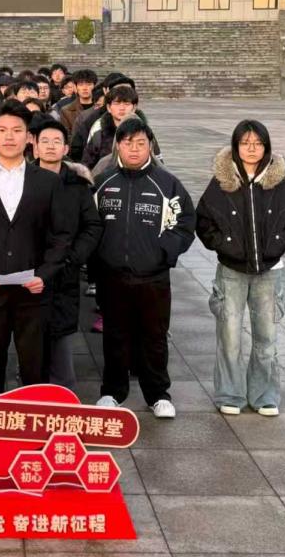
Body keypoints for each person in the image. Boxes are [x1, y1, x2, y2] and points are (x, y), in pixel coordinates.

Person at [0, 100, 72, 395]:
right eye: (2, 130)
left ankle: (33, 420)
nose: (9, 136)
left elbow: (61, 235)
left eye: (17, 130)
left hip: (33, 294)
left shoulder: (48, 182)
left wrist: (44, 274)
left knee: (36, 370)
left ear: (28, 137)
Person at [195, 120, 285, 418]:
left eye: (258, 143)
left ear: (266, 147)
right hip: (231, 271)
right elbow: (203, 220)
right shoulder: (223, 181)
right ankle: (230, 394)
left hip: (269, 271)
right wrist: (225, 245)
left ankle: (264, 395)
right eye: (245, 143)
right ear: (236, 146)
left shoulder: (276, 181)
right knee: (229, 337)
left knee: (266, 338)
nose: (252, 149)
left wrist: (277, 244)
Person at [93, 117, 195, 419]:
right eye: (128, 143)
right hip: (112, 276)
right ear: (118, 146)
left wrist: (162, 253)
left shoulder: (167, 184)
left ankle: (158, 394)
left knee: (154, 337)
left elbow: (185, 224)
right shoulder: (103, 182)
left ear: (150, 145)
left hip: (153, 278)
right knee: (114, 335)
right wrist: (98, 258)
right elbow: (89, 225)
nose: (134, 149)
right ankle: (112, 392)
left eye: (140, 143)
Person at [32, 119, 102, 390]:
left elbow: (92, 226)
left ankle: (62, 389)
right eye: (44, 141)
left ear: (65, 149)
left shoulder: (78, 185)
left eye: (56, 142)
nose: (50, 146)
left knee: (60, 330)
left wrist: (74, 257)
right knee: (30, 330)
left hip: (65, 270)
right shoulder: (22, 180)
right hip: (31, 270)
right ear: (34, 147)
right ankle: (31, 384)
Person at [82, 85, 139, 170]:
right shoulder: (99, 134)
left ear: (134, 108)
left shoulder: (144, 133)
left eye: (126, 104)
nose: (122, 108)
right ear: (109, 107)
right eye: (117, 103)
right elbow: (86, 165)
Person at [58, 69, 98, 134]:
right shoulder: (66, 111)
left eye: (88, 84)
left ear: (94, 86)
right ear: (75, 87)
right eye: (81, 85)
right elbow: (66, 135)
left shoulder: (101, 107)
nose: (85, 88)